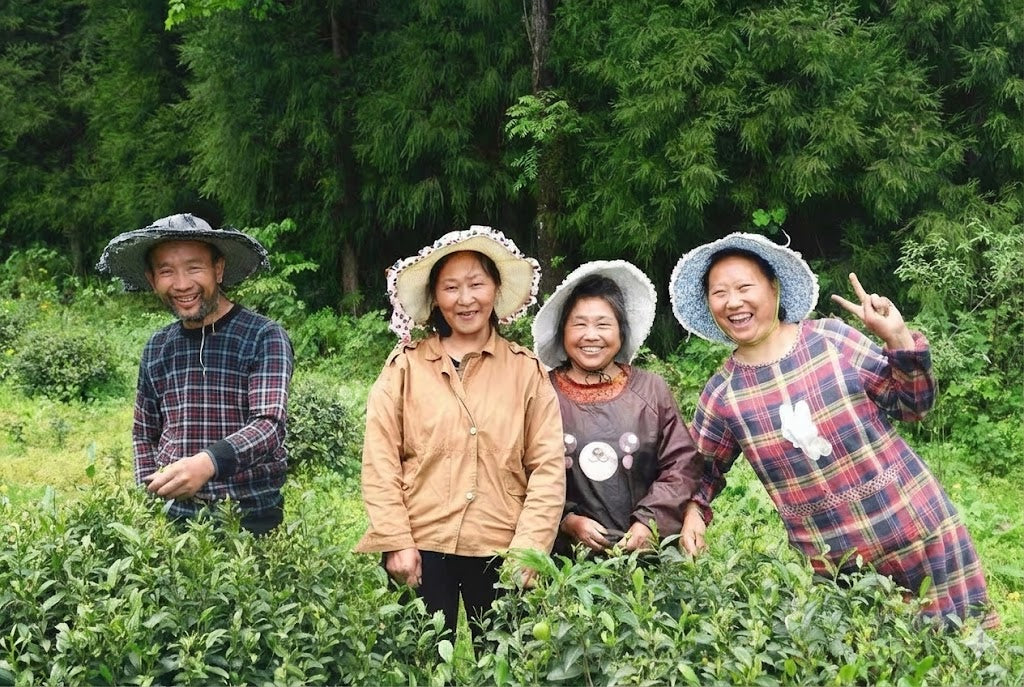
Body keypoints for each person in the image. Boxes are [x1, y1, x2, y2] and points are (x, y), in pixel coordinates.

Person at [670, 231, 998, 628]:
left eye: (744, 287)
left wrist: (897, 337)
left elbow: (913, 406)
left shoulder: (830, 339)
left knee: (968, 653)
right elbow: (701, 472)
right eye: (719, 292)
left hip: (919, 529)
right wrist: (693, 512)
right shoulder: (723, 394)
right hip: (841, 569)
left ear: (774, 288)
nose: (733, 301)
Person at [355, 226, 565, 638]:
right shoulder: (405, 368)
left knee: (508, 664)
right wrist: (395, 540)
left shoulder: (526, 371)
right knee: (422, 665)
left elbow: (547, 467)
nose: (465, 299)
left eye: (476, 284)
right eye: (451, 287)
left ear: (496, 289)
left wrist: (531, 547)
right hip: (420, 545)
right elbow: (380, 461)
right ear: (436, 298)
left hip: (502, 546)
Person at [97, 213, 293, 535]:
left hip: (249, 517)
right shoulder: (158, 347)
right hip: (175, 520)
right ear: (151, 279)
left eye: (194, 267)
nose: (182, 284)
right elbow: (143, 433)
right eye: (166, 271)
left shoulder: (263, 336)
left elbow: (268, 426)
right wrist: (149, 490)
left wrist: (208, 463)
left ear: (218, 269)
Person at [531, 261, 704, 556]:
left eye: (603, 324)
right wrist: (566, 520)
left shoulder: (651, 390)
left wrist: (648, 522)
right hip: (565, 567)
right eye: (579, 324)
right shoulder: (541, 392)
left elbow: (680, 465)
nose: (591, 335)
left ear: (621, 332)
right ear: (562, 332)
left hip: (647, 559)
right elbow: (522, 471)